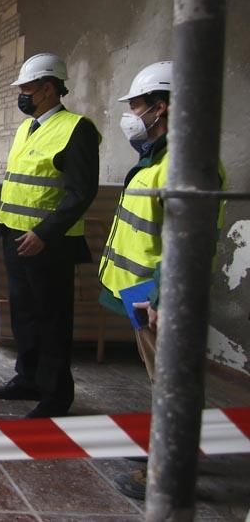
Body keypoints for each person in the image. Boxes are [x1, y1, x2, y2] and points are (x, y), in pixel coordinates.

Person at [97, 61, 225, 499]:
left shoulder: (188, 165)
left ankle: (174, 472)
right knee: (161, 379)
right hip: (142, 293)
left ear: (163, 107)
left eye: (137, 105)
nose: (131, 115)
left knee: (174, 384)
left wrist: (162, 298)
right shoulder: (161, 157)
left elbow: (187, 245)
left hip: (160, 297)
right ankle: (166, 448)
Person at [0, 52, 100, 418]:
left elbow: (81, 192)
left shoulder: (76, 128)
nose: (22, 95)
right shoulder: (26, 128)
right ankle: (28, 378)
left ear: (49, 89)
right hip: (17, 238)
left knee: (52, 318)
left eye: (27, 89)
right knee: (24, 315)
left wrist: (45, 233)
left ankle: (55, 395)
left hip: (48, 245)